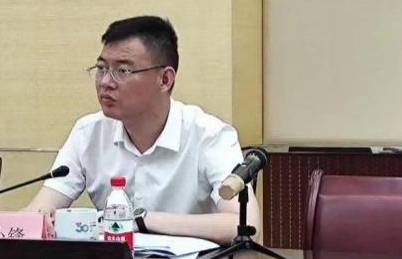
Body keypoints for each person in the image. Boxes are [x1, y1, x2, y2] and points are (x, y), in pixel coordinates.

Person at [22, 16, 257, 244]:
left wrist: (143, 220)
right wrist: (39, 220)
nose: (105, 82)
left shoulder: (210, 136)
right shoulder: (88, 133)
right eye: (101, 68)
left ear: (165, 80)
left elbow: (245, 225)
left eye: (123, 71)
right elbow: (40, 211)